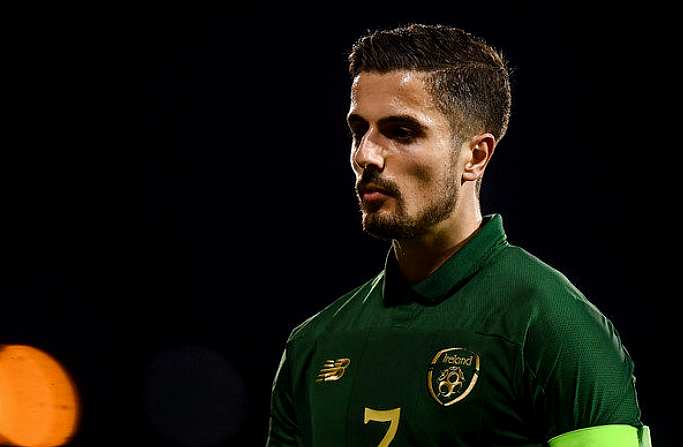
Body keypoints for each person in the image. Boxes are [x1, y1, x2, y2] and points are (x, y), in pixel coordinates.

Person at [265, 23, 651, 447]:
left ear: (475, 155)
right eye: (360, 130)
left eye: (401, 132)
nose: (365, 155)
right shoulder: (313, 345)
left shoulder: (555, 324)